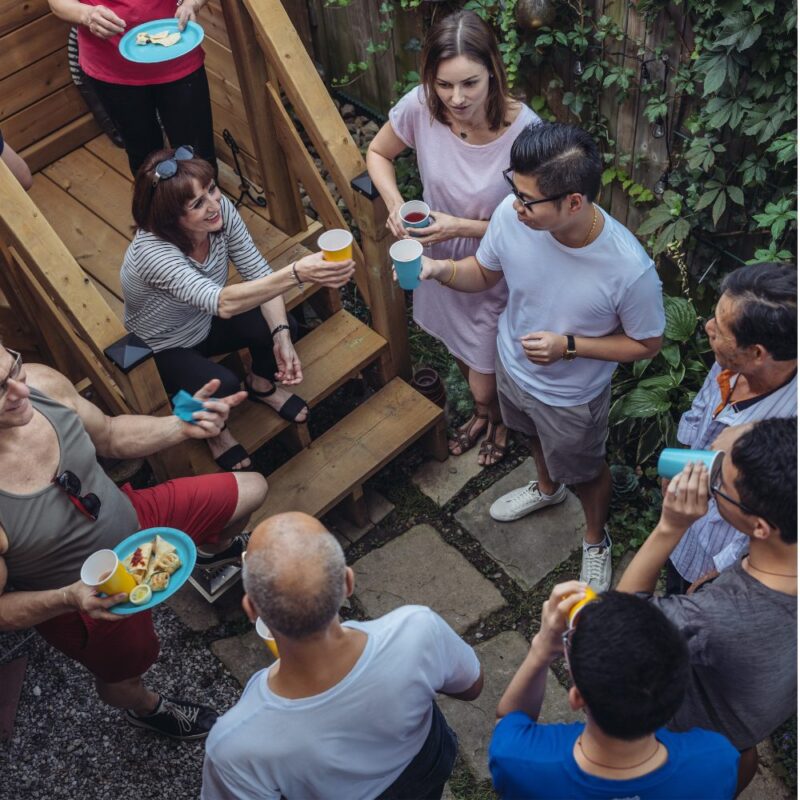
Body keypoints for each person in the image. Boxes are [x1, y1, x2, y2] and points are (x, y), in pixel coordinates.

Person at [419, 122, 665, 591]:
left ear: (573, 202)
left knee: (587, 474)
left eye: (528, 199)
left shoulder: (630, 271)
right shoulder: (513, 217)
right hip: (512, 367)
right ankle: (548, 489)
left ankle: (595, 539)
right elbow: (483, 273)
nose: (515, 205)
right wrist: (438, 269)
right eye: (514, 189)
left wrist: (569, 346)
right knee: (530, 435)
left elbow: (647, 343)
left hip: (572, 397)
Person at [0, 342, 268, 740]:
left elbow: (110, 434)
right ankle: (148, 710)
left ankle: (209, 555)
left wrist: (178, 426)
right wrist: (69, 598)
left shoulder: (42, 383)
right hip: (90, 596)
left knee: (252, 489)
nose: (21, 390)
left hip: (138, 520)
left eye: (13, 368)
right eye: (0, 388)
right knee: (126, 675)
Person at [202, 512, 484, 800]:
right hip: (425, 767)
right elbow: (471, 687)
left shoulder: (234, 746)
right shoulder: (418, 629)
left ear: (252, 610)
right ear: (348, 582)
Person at [367, 10, 540, 466]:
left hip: (495, 269)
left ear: (493, 72)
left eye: (469, 84)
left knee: (486, 377)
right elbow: (378, 152)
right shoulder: (421, 106)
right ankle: (487, 416)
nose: (456, 98)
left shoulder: (527, 132)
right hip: (436, 258)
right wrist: (395, 205)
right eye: (444, 84)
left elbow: (538, 222)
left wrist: (460, 227)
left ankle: (498, 417)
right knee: (457, 348)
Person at [121, 147, 354, 471]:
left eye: (211, 189)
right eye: (197, 204)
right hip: (163, 344)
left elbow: (258, 274)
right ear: (170, 219)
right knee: (222, 384)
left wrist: (281, 336)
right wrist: (297, 272)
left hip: (205, 319)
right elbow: (223, 302)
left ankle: (261, 384)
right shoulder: (153, 253)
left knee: (282, 324)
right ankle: (214, 434)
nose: (214, 205)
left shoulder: (220, 212)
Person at [618, 418, 797, 788]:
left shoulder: (716, 615)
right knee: (738, 751)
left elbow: (621, 619)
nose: (712, 485)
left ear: (760, 526)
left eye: (720, 484)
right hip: (750, 721)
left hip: (691, 735)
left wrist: (670, 526)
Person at [490, 585, 739, 799]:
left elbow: (509, 722)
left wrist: (541, 649)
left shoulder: (517, 760)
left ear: (577, 698)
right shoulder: (717, 761)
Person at [666, 262, 796, 592]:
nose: (708, 327)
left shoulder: (790, 426)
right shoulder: (731, 362)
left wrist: (724, 571)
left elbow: (778, 513)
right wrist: (679, 460)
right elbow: (702, 406)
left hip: (719, 554)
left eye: (720, 329)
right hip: (683, 526)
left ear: (757, 353)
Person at [47, 0, 217, 175]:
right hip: (112, 68)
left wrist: (192, 3)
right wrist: (87, 15)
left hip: (179, 56)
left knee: (198, 159)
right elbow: (58, 4)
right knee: (145, 161)